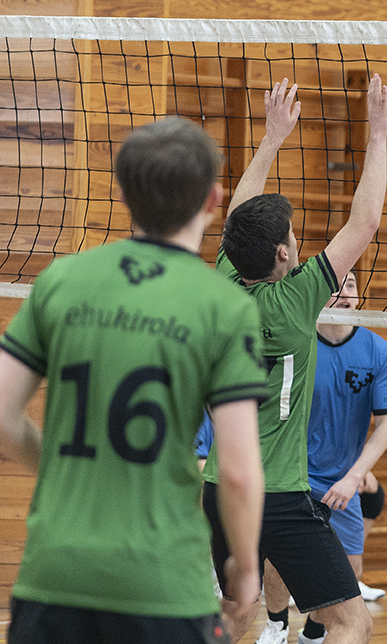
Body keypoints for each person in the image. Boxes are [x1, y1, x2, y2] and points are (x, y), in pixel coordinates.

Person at [0, 117, 267, 644]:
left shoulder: (61, 281)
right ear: (214, 200)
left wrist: (56, 465)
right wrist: (244, 562)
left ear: (123, 195)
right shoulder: (225, 306)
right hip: (163, 585)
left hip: (54, 578)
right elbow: (237, 471)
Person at [201, 74, 387, 644]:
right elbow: (365, 223)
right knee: (352, 622)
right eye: (292, 234)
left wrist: (271, 138)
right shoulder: (298, 297)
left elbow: (238, 217)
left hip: (219, 487)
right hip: (279, 494)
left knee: (237, 613)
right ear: (284, 253)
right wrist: (378, 136)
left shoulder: (224, 283)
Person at [255, 270, 387, 644]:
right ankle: (275, 625)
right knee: (278, 562)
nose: (344, 293)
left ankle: (313, 632)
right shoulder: (298, 343)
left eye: (350, 285)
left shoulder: (378, 350)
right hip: (293, 475)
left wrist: (355, 475)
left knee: (348, 573)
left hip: (342, 482)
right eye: (335, 287)